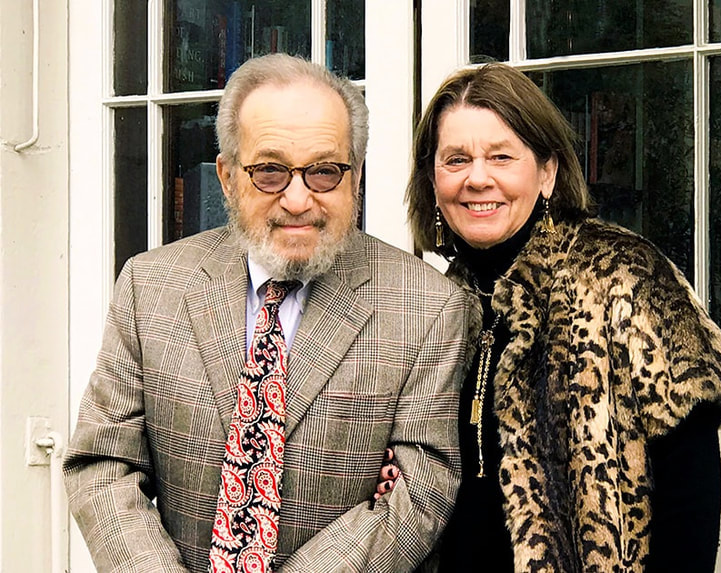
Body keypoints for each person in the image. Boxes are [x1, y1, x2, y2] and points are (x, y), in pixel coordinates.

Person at [64, 53, 473, 573]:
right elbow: (103, 462)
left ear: (355, 177)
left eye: (324, 172)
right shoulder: (151, 287)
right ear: (227, 177)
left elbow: (421, 490)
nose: (298, 200)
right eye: (270, 172)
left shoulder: (428, 305)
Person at [399, 63, 721, 572]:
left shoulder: (623, 276)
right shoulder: (431, 303)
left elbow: (690, 490)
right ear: (432, 179)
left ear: (546, 173)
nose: (477, 178)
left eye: (501, 156)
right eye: (456, 159)